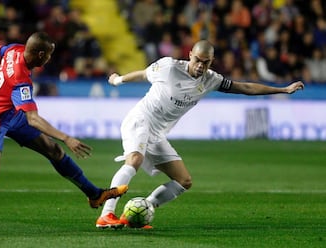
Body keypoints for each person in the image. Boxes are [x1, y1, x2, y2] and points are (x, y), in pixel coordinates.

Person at [0, 32, 128, 237]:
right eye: (48, 55)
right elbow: (33, 119)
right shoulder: (21, 79)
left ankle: (95, 195)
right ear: (40, 54)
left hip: (10, 113)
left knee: (52, 150)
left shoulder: (13, 49)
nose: (49, 59)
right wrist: (66, 138)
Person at [96, 40, 304, 229]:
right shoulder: (168, 67)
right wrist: (118, 80)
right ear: (190, 55)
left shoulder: (211, 79)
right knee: (135, 160)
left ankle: (140, 210)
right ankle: (107, 214)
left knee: (183, 181)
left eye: (206, 62)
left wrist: (283, 90)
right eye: (197, 60)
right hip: (141, 120)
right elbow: (144, 73)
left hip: (157, 133)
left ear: (211, 62)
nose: (200, 66)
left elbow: (244, 87)